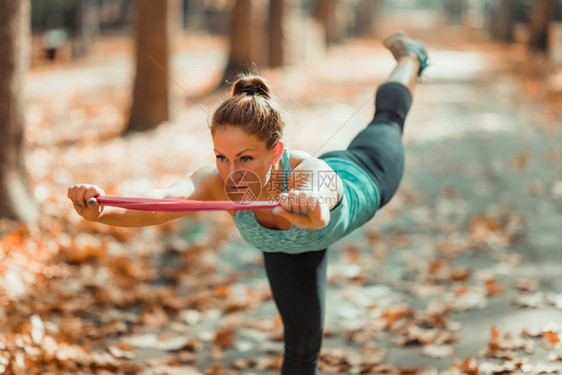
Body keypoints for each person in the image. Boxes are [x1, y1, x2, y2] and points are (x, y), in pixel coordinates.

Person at [67, 30, 428, 375]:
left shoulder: (310, 171)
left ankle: (411, 56)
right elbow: (163, 202)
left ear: (276, 152)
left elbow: (318, 211)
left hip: (366, 172)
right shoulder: (216, 182)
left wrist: (306, 203)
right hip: (288, 250)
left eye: (245, 158)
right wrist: (101, 211)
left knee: (388, 118)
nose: (232, 173)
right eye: (222, 158)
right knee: (301, 347)